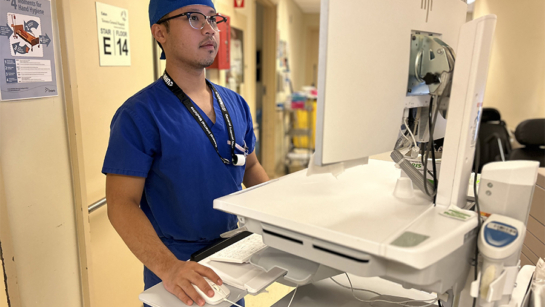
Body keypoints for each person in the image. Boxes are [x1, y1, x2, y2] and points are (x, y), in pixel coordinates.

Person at [102, 0, 269, 306]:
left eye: (211, 18)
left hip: (233, 259)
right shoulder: (139, 115)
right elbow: (121, 204)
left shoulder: (236, 104)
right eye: (193, 18)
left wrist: (280, 224)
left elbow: (251, 167)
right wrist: (169, 268)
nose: (209, 29)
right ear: (160, 32)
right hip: (178, 272)